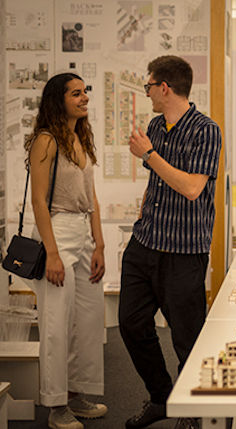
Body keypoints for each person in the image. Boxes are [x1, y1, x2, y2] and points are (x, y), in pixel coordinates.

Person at [119, 56, 221, 429]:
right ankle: (162, 397)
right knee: (130, 324)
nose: (146, 93)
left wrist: (149, 154)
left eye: (148, 86)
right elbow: (158, 180)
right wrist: (145, 208)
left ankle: (190, 409)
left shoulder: (206, 130)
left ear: (164, 87)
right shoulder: (155, 126)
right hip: (146, 241)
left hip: (184, 250)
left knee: (187, 338)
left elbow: (193, 187)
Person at [26, 73, 107, 429]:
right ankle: (56, 407)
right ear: (58, 100)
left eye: (85, 91)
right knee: (57, 325)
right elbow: (39, 202)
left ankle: (77, 395)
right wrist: (53, 253)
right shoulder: (45, 141)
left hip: (84, 233)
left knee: (87, 322)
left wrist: (99, 242)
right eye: (76, 93)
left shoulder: (80, 138)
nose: (84, 97)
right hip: (56, 231)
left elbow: (92, 198)